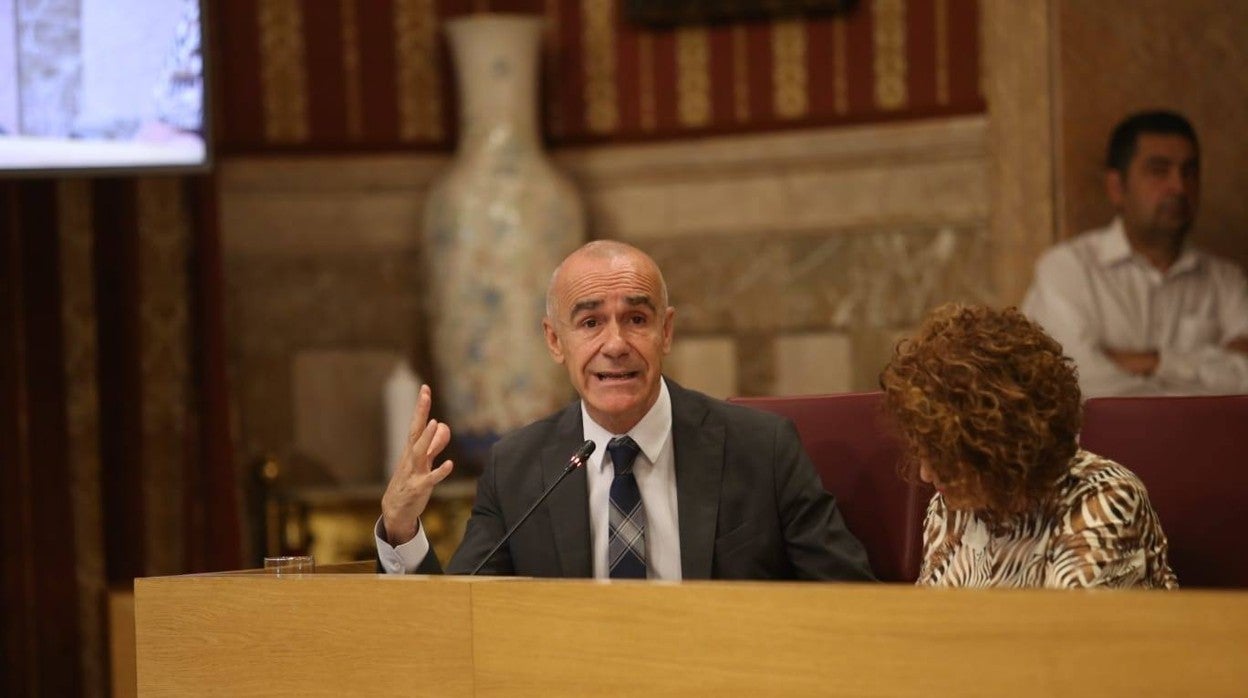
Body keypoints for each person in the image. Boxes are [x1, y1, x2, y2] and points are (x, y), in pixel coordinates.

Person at [375, 240, 874, 580]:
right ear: (555, 340)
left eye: (636, 318)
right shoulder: (518, 469)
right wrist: (401, 529)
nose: (616, 344)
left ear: (666, 332)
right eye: (590, 322)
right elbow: (460, 619)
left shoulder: (761, 450)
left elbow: (851, 604)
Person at [879, 303, 1178, 589]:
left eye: (943, 457)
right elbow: (931, 624)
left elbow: (1069, 638)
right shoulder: (953, 504)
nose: (926, 475)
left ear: (999, 448)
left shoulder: (1103, 500)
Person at [1021, 110, 1248, 397]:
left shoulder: (1225, 280)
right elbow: (1074, 383)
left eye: (1189, 172)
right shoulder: (1067, 269)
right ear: (1117, 187)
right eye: (1159, 170)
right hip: (1100, 444)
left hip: (1210, 442)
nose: (1179, 187)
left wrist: (1155, 362)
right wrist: (1207, 372)